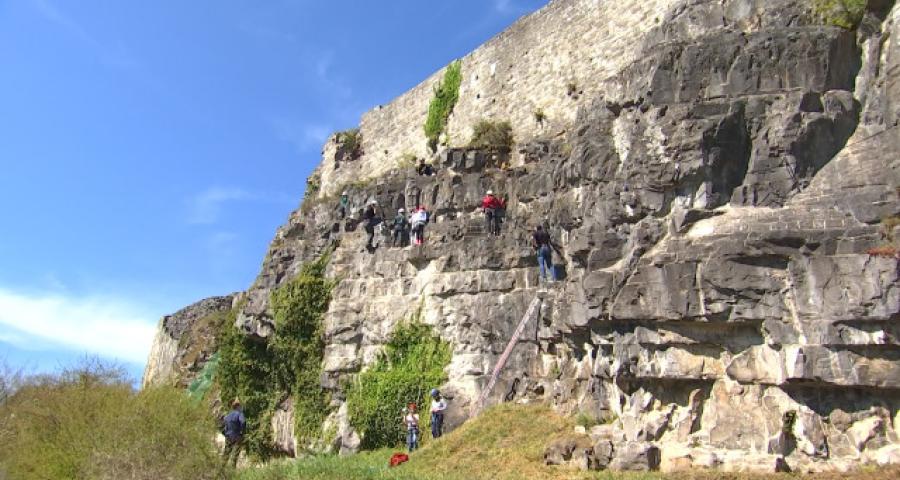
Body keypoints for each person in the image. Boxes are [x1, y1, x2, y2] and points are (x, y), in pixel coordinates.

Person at [222, 399, 246, 467]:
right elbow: (243, 422)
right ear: (238, 406)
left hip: (228, 436)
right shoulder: (239, 413)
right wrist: (242, 432)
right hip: (237, 436)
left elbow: (224, 426)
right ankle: (232, 468)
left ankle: (221, 469)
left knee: (226, 454)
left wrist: (226, 434)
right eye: (240, 406)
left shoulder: (228, 415)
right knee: (236, 454)